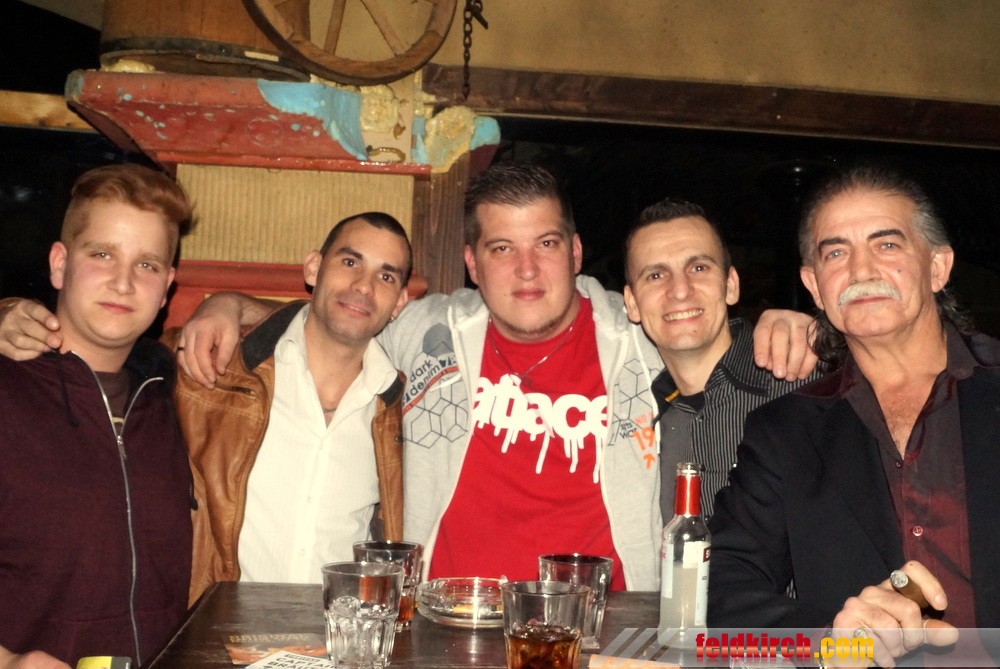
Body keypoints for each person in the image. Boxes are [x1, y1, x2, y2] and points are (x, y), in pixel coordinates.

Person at [95, 163, 816, 591]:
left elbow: (700, 327)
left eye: (545, 244)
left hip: (604, 633)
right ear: (472, 263)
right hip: (446, 629)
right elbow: (341, 312)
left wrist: (792, 327)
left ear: (576, 254)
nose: (526, 269)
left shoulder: (634, 331)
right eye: (502, 248)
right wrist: (229, 304)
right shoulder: (429, 329)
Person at [0, 212, 412, 602]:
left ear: (398, 302)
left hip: (337, 640)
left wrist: (231, 300)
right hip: (215, 635)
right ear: (313, 268)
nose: (363, 286)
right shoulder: (211, 362)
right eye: (350, 262)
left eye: (386, 275)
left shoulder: (399, 407)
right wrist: (8, 314)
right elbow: (100, 343)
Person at [708, 165, 1000, 666]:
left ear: (937, 267)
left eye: (886, 244)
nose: (861, 270)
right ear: (814, 286)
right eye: (836, 253)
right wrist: (826, 641)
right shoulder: (784, 430)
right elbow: (722, 588)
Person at [0, 164, 193, 669]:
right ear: (59, 264)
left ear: (167, 287)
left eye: (147, 264)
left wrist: (229, 304)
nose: (123, 282)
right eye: (102, 254)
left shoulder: (178, 396)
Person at [622, 198, 817, 520]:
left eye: (698, 268)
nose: (680, 290)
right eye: (656, 275)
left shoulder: (803, 384)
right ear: (632, 304)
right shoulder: (640, 413)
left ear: (730, 285)